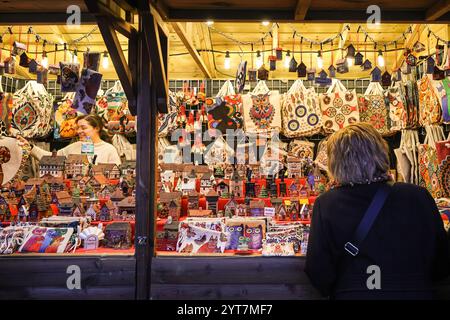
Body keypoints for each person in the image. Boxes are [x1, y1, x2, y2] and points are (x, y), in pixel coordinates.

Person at [304, 123, 450, 300]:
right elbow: (442, 261)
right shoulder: (417, 196)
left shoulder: (326, 204)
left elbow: (318, 270)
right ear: (381, 152)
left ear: (335, 162)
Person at [18, 114, 121, 166]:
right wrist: (29, 147)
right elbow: (52, 159)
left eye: (83, 128)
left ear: (97, 128)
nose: (79, 131)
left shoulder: (109, 149)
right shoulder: (75, 146)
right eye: (78, 128)